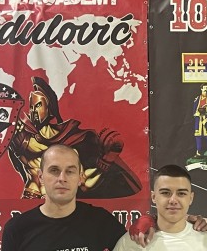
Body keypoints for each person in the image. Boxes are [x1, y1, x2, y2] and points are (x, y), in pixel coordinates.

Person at [8, 76, 141, 199]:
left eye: (38, 105)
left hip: (60, 201)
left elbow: (85, 183)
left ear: (49, 107)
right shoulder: (23, 139)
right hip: (32, 195)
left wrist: (105, 162)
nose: (34, 111)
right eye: (32, 106)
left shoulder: (73, 140)